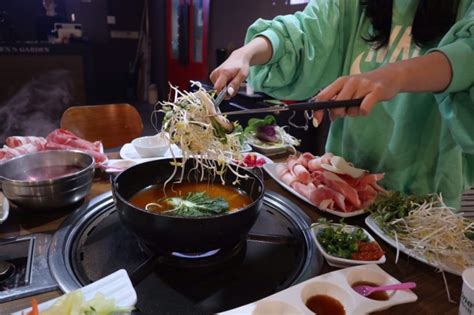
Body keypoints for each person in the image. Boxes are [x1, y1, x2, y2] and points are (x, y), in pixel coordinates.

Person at [210, 0, 474, 210]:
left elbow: (468, 52)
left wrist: (395, 75)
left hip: (423, 203)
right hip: (342, 190)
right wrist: (247, 53)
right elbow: (302, 32)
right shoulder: (355, 5)